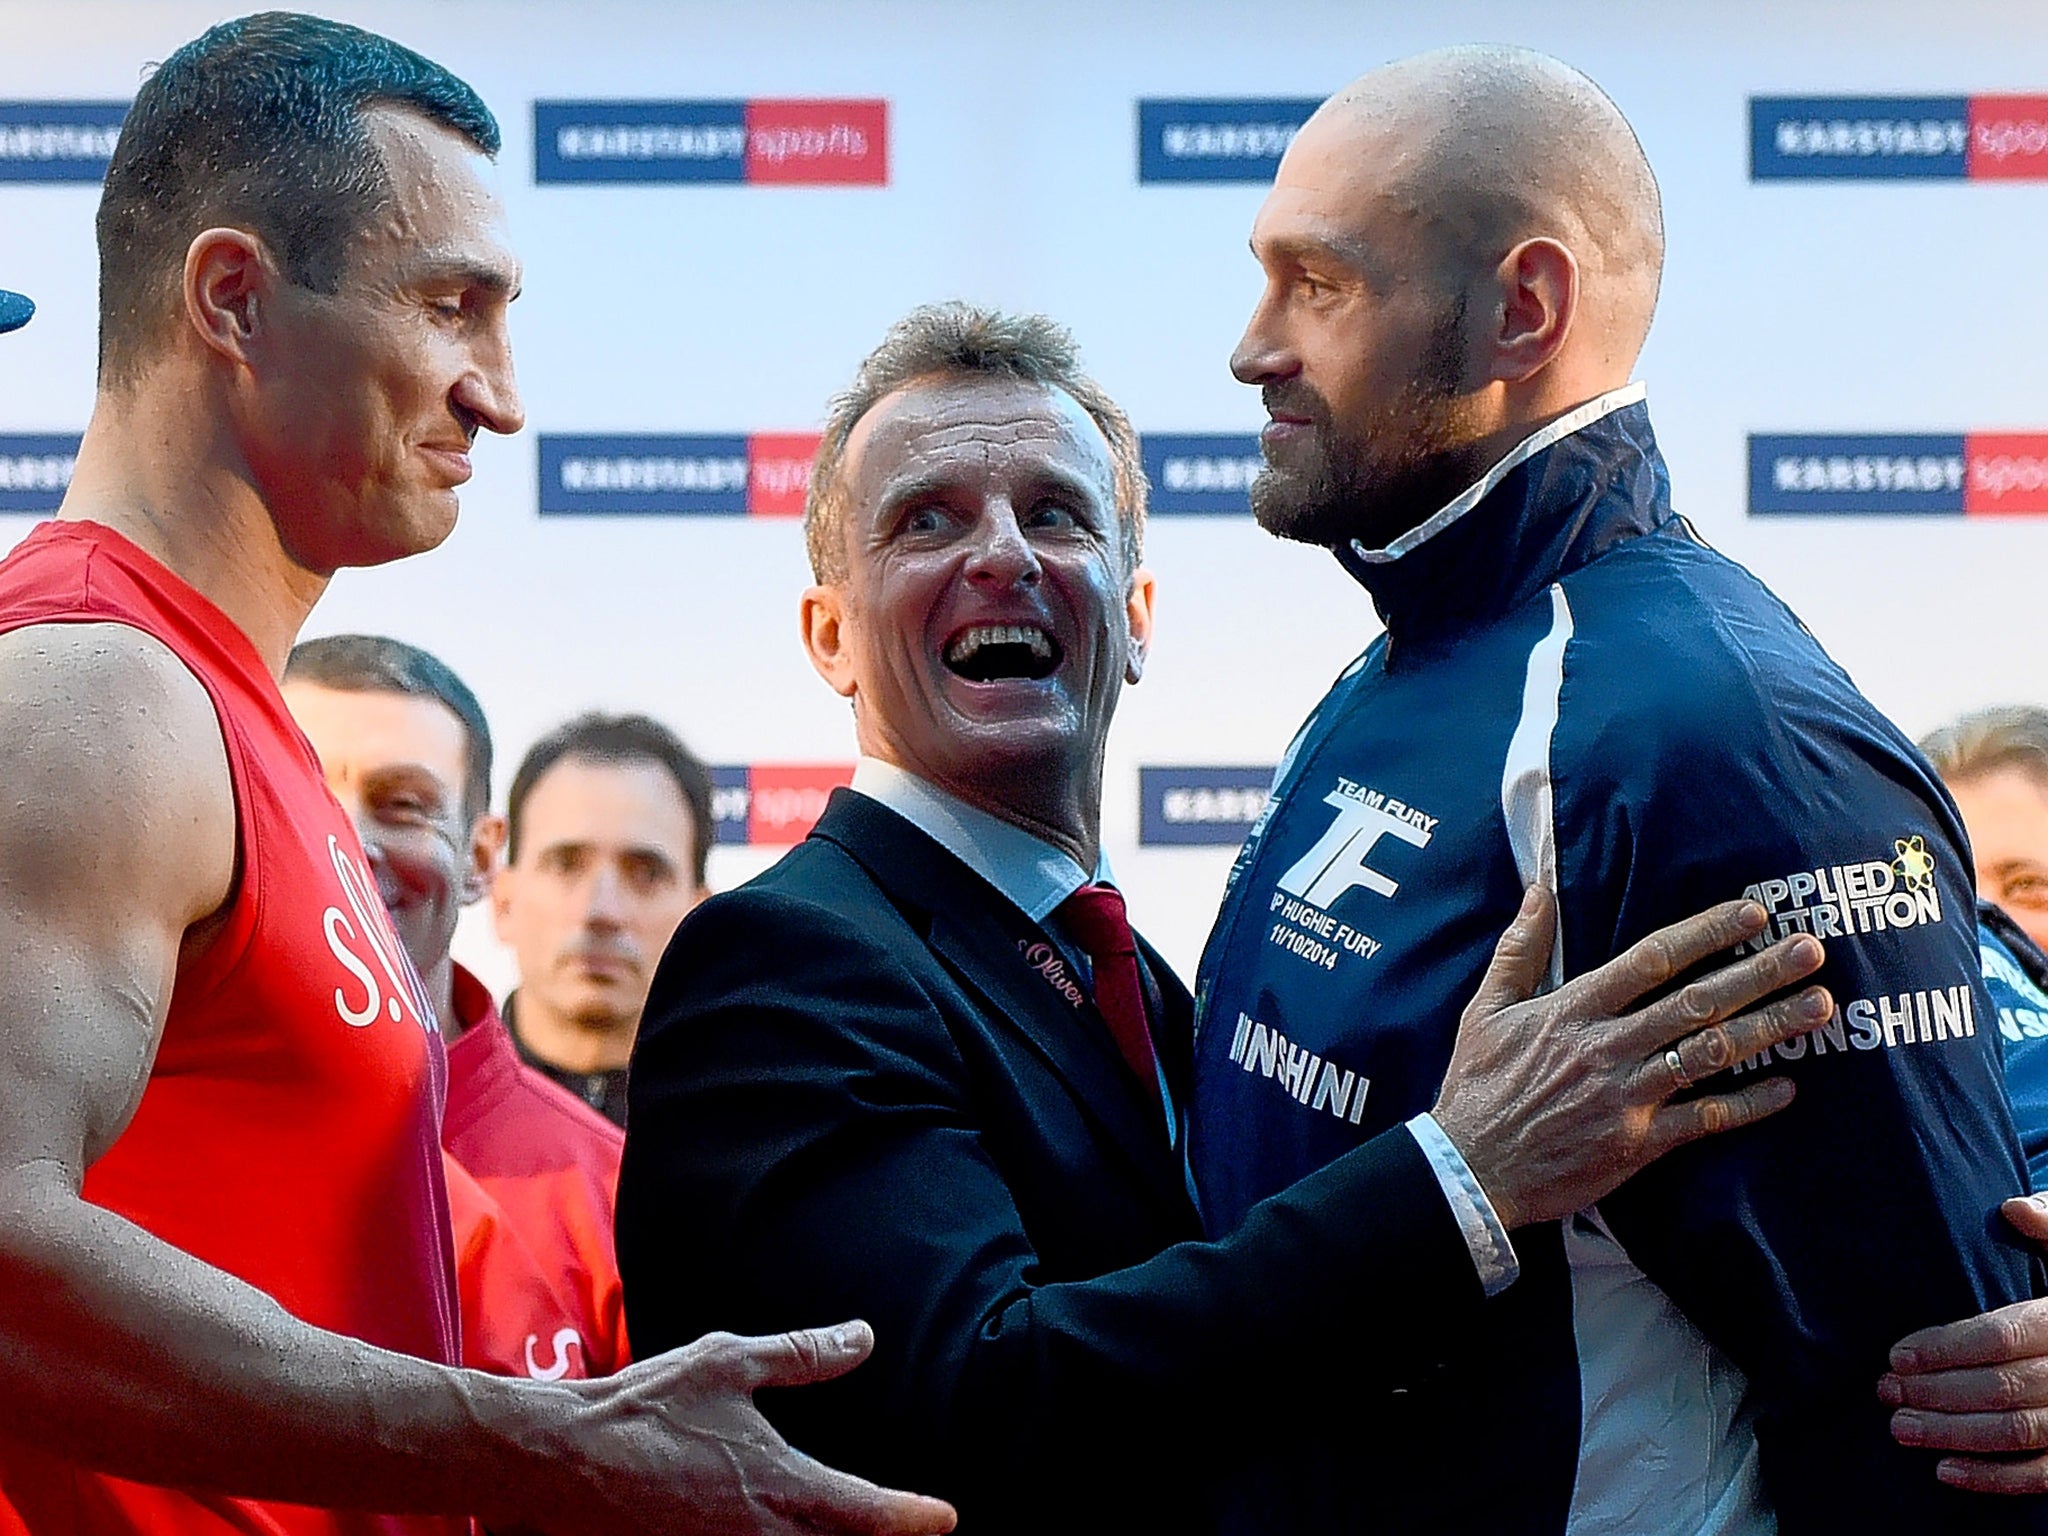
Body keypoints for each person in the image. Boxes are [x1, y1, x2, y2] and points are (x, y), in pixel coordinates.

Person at [615, 301, 1833, 1535]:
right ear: (830, 635)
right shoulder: (781, 964)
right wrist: (1463, 1176)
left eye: (1054, 514)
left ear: (1134, 618)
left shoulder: (1133, 979)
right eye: (925, 520)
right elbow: (974, 1409)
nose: (1000, 556)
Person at [0, 15, 951, 1535]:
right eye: (453, 310)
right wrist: (535, 1440)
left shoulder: (221, 709)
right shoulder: (93, 686)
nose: (498, 394)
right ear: (234, 298)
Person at [1183, 44, 2041, 1533]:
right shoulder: (1414, 653)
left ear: (1525, 306)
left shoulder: (1713, 736)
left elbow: (1941, 1423)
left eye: (1315, 286)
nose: (1251, 347)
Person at [283, 634, 631, 1379]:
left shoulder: (615, 1198)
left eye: (402, 805)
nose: (345, 841)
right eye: (294, 794)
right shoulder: (100, 1139)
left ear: (480, 858)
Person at [494, 712, 713, 1125]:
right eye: (565, 865)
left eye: (646, 873)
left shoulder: (764, 1139)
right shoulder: (420, 1125)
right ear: (503, 902)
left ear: (700, 919)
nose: (601, 911)